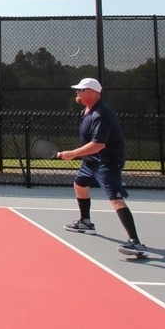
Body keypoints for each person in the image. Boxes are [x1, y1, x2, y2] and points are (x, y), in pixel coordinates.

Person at [56, 77, 147, 257]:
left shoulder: (102, 115)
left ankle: (136, 243)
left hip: (107, 163)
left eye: (82, 90)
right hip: (91, 162)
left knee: (116, 199)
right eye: (78, 90)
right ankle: (85, 222)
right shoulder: (87, 112)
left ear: (94, 93)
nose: (78, 92)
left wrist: (73, 153)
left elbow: (99, 144)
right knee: (80, 184)